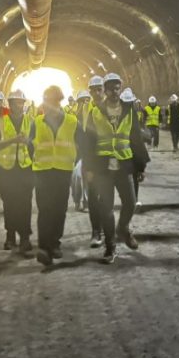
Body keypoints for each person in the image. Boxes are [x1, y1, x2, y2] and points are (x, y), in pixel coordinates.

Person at [84, 73, 145, 263]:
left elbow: (135, 138)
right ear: (106, 90)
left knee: (130, 202)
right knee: (106, 207)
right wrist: (88, 168)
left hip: (124, 164)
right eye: (111, 88)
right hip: (103, 166)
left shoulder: (129, 110)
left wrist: (141, 165)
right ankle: (110, 247)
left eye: (118, 88)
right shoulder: (95, 112)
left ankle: (123, 228)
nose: (115, 92)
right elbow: (88, 142)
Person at [31, 85, 82, 266]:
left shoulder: (72, 121)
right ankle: (44, 247)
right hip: (42, 171)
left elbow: (82, 143)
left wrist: (76, 161)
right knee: (44, 209)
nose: (50, 105)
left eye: (53, 101)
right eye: (47, 101)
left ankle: (55, 244)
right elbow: (30, 144)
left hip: (63, 170)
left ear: (59, 101)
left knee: (59, 209)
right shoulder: (36, 122)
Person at [0, 90, 35, 254]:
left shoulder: (31, 121)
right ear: (10, 103)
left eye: (21, 102)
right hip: (5, 169)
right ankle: (10, 236)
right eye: (16, 102)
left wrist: (29, 142)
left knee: (25, 204)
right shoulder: (0, 121)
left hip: (25, 169)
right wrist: (12, 141)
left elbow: (36, 143)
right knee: (9, 204)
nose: (19, 105)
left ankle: (25, 237)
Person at [81, 76, 106, 248]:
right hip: (93, 161)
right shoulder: (84, 110)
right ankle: (96, 230)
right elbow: (84, 139)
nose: (97, 93)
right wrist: (87, 165)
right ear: (90, 92)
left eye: (100, 89)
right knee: (94, 198)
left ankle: (108, 229)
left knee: (107, 198)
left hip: (110, 159)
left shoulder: (113, 107)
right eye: (94, 90)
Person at [125, 89, 151, 207]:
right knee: (134, 178)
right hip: (131, 154)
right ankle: (133, 201)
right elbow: (137, 141)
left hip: (118, 154)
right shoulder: (132, 115)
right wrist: (142, 165)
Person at [70, 90, 93, 212]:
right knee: (75, 179)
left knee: (85, 178)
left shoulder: (93, 116)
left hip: (88, 153)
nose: (85, 103)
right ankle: (77, 200)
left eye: (87, 100)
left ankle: (86, 203)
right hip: (75, 153)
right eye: (82, 100)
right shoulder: (72, 118)